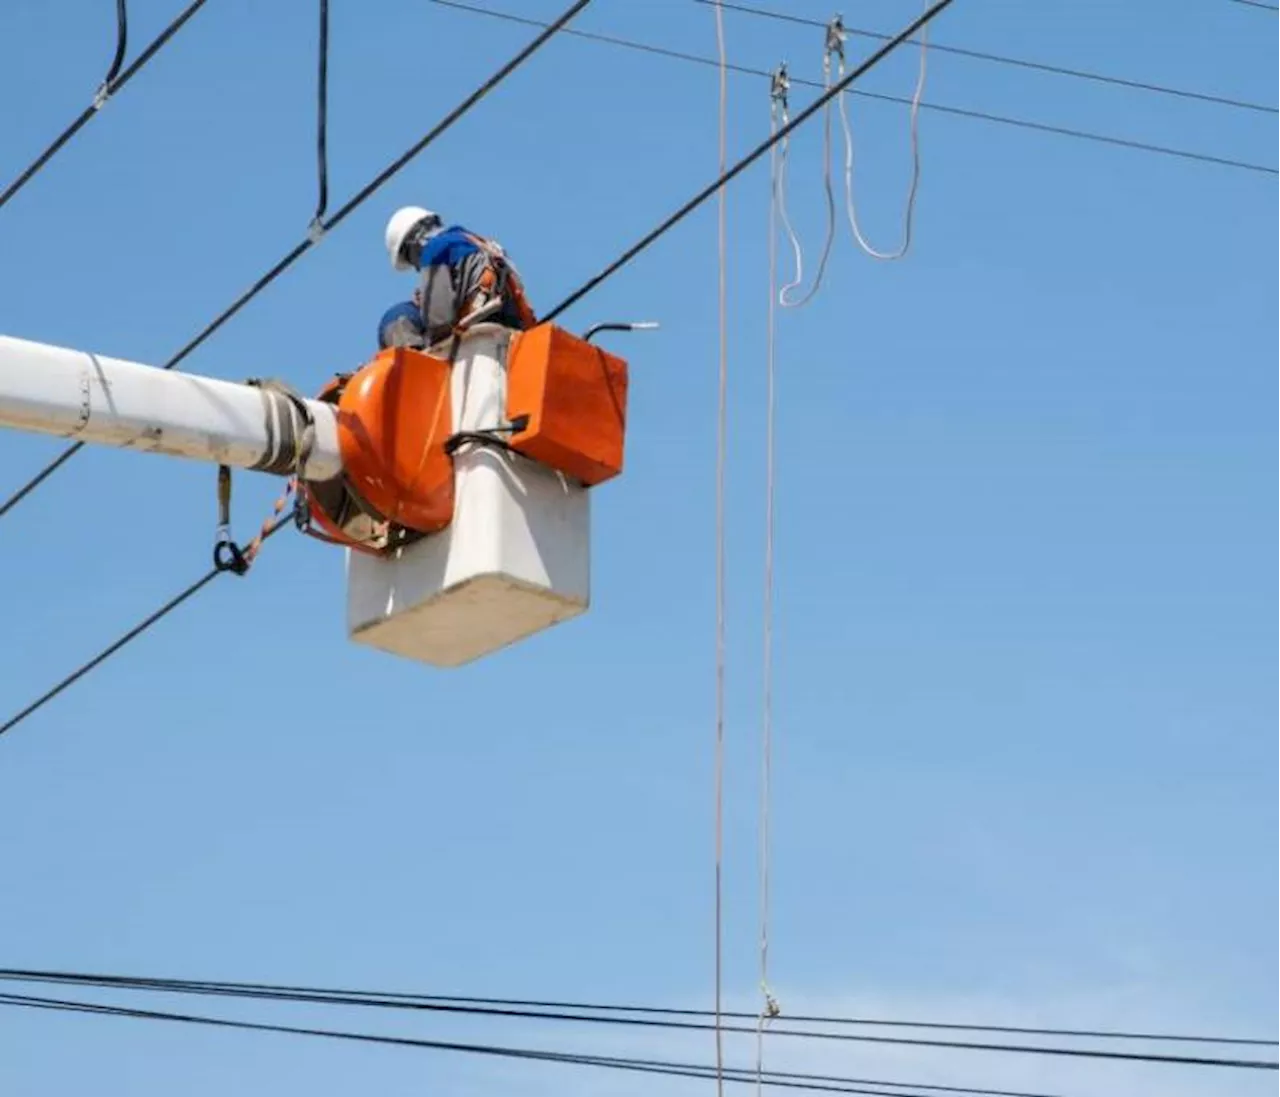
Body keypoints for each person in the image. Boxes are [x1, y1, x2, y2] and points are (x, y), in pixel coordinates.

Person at [383, 206, 536, 348]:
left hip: (478, 336)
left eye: (412, 260)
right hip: (515, 332)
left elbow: (438, 322)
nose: (418, 268)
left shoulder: (436, 250)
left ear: (415, 243)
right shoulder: (482, 245)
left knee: (396, 316)